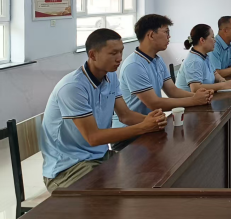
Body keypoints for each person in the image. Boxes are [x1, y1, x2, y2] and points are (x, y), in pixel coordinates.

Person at [40, 29, 168, 192]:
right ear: (93, 55)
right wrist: (143, 127)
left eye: (121, 52)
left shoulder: (111, 76)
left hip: (99, 157)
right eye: (113, 53)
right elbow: (93, 137)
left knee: (148, 172)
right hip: (68, 168)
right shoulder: (73, 87)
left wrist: (153, 121)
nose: (119, 58)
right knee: (110, 198)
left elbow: (126, 115)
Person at [114, 14, 212, 127]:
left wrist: (199, 96)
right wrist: (194, 100)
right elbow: (154, 103)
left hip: (152, 124)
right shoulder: (134, 65)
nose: (169, 37)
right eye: (166, 32)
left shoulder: (158, 60)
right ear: (151, 35)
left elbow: (172, 91)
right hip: (132, 129)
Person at [175, 24, 231, 92]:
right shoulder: (194, 61)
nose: (215, 41)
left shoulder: (204, 56)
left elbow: (214, 73)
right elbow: (195, 88)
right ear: (202, 40)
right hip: (189, 98)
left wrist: (222, 80)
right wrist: (222, 85)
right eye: (212, 37)